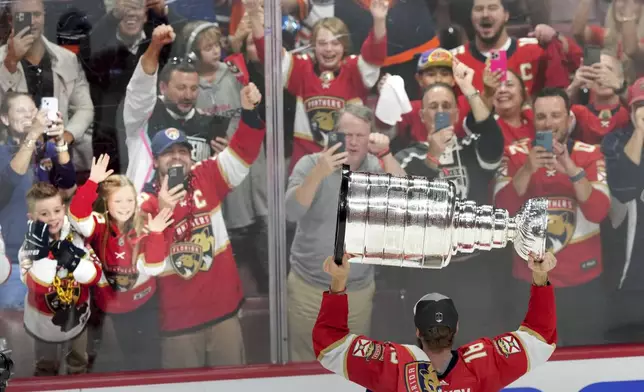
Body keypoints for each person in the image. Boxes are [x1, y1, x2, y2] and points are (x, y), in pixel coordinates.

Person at [138, 82, 265, 368]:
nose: (176, 158)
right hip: (178, 322)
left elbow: (244, 151)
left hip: (222, 312)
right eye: (168, 153)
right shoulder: (144, 202)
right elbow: (148, 265)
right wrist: (162, 213)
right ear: (156, 160)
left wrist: (249, 112)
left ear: (191, 155)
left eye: (182, 151)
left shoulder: (207, 175)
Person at [313, 251, 558, 392]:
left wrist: (338, 282)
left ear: (418, 330)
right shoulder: (482, 364)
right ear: (456, 328)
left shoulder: (391, 364)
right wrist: (540, 276)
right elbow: (541, 337)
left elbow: (330, 346)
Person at [286, 103, 404, 362]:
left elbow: (406, 203)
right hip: (309, 287)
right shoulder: (310, 164)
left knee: (354, 363)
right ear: (334, 135)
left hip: (357, 291)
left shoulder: (377, 166)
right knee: (305, 363)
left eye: (359, 136)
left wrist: (386, 154)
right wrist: (319, 173)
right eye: (346, 135)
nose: (352, 143)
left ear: (369, 138)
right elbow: (291, 212)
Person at [494, 87, 610, 346]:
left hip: (582, 283)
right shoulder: (514, 154)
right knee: (530, 364)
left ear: (569, 120)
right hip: (530, 282)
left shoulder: (590, 154)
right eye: (542, 116)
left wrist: (570, 168)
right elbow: (502, 211)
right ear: (533, 120)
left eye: (556, 115)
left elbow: (599, 210)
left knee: (585, 361)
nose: (549, 123)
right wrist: (527, 169)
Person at [68, 154, 173, 371]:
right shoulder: (97, 224)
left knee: (149, 362)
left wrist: (154, 234)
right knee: (123, 363)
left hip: (145, 305)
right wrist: (92, 182)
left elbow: (153, 267)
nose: (125, 207)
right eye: (118, 201)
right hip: (110, 309)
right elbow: (76, 215)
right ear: (107, 203)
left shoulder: (145, 223)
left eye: (129, 200)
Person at [122, 24, 230, 190]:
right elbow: (141, 86)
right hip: (148, 206)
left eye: (193, 88)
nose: (188, 95)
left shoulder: (209, 124)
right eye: (181, 88)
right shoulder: (143, 117)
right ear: (163, 88)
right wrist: (155, 45)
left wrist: (223, 160)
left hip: (193, 208)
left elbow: (219, 180)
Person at [19, 182, 102, 375]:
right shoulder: (28, 247)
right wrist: (44, 258)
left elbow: (95, 275)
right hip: (44, 322)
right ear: (31, 218)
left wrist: (74, 261)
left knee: (79, 363)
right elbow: (34, 285)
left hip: (77, 316)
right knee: (46, 368)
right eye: (44, 214)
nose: (52, 218)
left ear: (63, 209)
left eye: (56, 210)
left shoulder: (77, 236)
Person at [451, 0, 581, 95]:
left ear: (506, 15)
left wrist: (555, 37)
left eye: (492, 8)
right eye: (479, 9)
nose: (485, 14)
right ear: (471, 16)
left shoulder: (536, 50)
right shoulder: (455, 60)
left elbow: (576, 60)